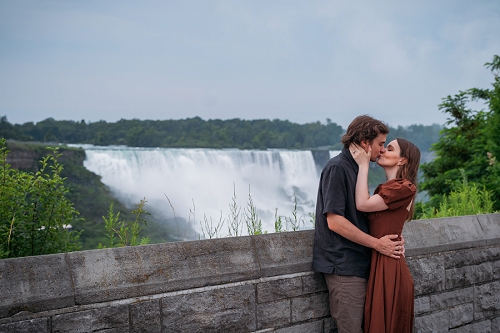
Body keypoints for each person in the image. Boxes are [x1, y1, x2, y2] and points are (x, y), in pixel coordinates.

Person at [312, 115, 405, 333]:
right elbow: (335, 222)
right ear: (365, 142)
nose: (382, 150)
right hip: (344, 266)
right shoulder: (337, 168)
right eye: (380, 144)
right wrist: (377, 244)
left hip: (359, 263)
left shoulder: (357, 169)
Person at [350, 138, 420, 333]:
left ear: (402, 160)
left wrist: (364, 165)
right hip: (381, 261)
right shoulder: (388, 188)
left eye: (389, 149)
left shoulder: (404, 187)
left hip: (390, 267)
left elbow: (362, 205)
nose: (382, 151)